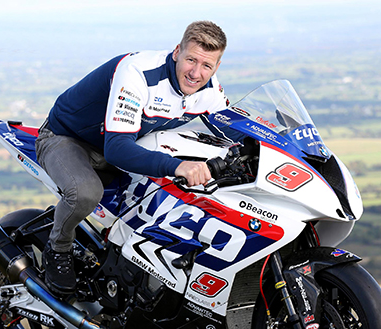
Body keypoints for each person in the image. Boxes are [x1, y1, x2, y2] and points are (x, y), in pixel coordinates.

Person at [36, 20, 240, 295]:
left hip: (121, 147)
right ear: (177, 51)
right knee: (86, 192)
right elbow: (117, 149)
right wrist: (179, 166)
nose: (196, 72)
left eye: (207, 65)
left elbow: (237, 129)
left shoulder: (208, 90)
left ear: (217, 67)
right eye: (191, 59)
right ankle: (57, 247)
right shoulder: (138, 72)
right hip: (68, 139)